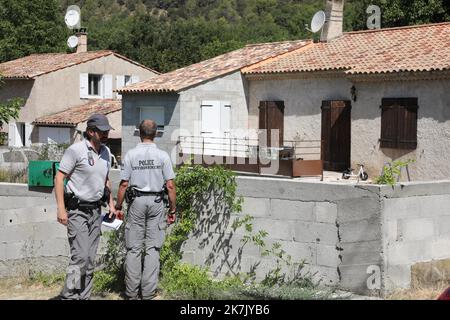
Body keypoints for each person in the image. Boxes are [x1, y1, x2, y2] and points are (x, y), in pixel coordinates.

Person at [54, 113, 117, 300]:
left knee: (90, 260)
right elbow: (59, 178)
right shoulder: (76, 150)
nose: (106, 134)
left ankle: (84, 296)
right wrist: (61, 209)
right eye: (102, 131)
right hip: (77, 211)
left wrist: (111, 204)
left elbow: (105, 181)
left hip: (95, 212)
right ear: (91, 132)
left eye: (107, 131)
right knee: (80, 257)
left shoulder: (106, 152)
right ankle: (69, 295)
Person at [115, 119, 176, 300]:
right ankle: (148, 293)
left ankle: (131, 293)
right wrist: (172, 210)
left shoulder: (131, 155)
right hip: (157, 202)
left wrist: (118, 206)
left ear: (139, 133)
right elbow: (170, 186)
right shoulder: (163, 156)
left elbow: (124, 184)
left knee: (133, 248)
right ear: (156, 134)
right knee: (152, 248)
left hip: (136, 202)